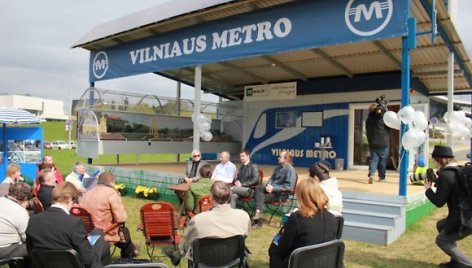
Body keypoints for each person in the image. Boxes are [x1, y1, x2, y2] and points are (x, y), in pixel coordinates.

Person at [164, 181, 251, 266]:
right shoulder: (243, 216)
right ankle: (176, 255)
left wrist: (180, 252)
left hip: (205, 262)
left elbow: (186, 245)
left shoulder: (198, 220)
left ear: (211, 197)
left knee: (189, 246)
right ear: (230, 196)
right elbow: (244, 237)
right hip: (232, 260)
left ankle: (176, 255)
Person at [26, 182, 108, 268]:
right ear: (69, 199)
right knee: (101, 245)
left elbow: (30, 250)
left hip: (42, 264)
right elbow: (88, 259)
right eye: (74, 201)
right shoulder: (74, 222)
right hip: (71, 264)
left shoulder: (33, 220)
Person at [268, 179, 337, 268]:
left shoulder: (297, 218)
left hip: (300, 262)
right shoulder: (331, 218)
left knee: (274, 249)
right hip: (325, 262)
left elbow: (283, 249)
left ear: (302, 197)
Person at [424, 145, 472, 267]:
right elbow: (452, 186)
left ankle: (467, 264)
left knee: (442, 240)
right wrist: (436, 181)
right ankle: (455, 261)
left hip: (465, 219)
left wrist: (428, 190)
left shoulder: (445, 175)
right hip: (466, 214)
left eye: (433, 159)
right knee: (441, 225)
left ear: (437, 159)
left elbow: (439, 202)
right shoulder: (457, 170)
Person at [79, 172, 139, 259]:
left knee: (124, 234)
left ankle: (133, 251)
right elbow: (121, 218)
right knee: (125, 233)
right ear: (112, 182)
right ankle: (128, 258)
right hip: (104, 233)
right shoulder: (111, 193)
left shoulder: (87, 193)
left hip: (86, 232)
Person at [252, 150, 296, 228]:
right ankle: (259, 215)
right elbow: (271, 178)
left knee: (259, 197)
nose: (278, 158)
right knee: (259, 188)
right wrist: (269, 185)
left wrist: (274, 188)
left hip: (280, 194)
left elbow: (289, 187)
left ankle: (257, 222)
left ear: (286, 159)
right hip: (271, 190)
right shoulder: (278, 168)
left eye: (280, 157)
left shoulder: (290, 170)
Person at [0, 182, 31, 260]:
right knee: (34, 246)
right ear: (25, 198)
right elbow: (26, 237)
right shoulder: (20, 212)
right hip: (4, 248)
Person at [366, 102, 391, 184]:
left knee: (373, 159)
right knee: (382, 161)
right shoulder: (382, 119)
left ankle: (372, 174)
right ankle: (382, 177)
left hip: (373, 143)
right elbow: (389, 127)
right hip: (383, 143)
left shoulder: (368, 120)